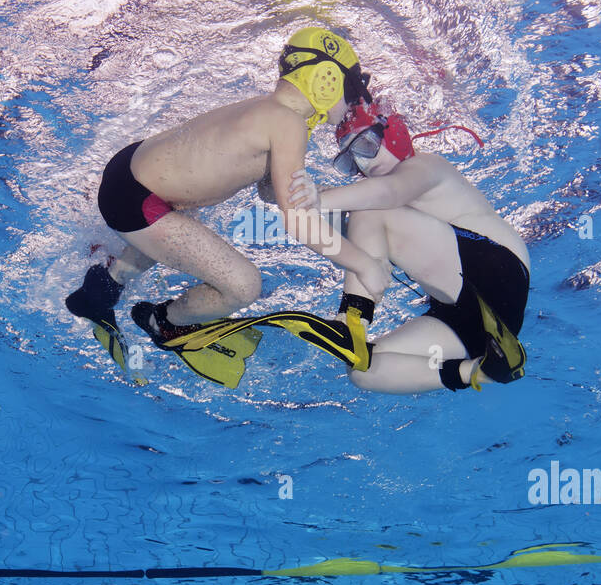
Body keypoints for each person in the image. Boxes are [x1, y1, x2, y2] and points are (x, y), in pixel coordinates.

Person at [65, 28, 389, 381]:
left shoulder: (274, 113)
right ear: (327, 80)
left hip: (133, 176)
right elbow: (297, 221)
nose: (353, 104)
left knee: (177, 220)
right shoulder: (288, 123)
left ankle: (103, 285)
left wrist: (329, 196)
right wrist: (365, 265)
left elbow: (274, 193)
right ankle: (163, 324)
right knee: (244, 286)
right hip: (136, 201)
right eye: (353, 90)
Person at [286, 99, 531, 394]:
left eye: (366, 144)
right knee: (363, 369)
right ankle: (483, 371)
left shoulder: (427, 165)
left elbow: (388, 193)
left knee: (368, 208)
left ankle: (351, 320)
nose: (363, 163)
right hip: (475, 321)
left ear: (393, 132)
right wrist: (319, 214)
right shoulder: (373, 205)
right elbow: (349, 257)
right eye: (350, 159)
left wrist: (320, 199)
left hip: (496, 269)